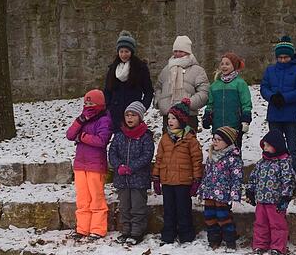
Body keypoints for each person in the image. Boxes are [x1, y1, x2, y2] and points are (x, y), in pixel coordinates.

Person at [152, 98, 204, 245]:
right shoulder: (165, 139)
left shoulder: (190, 139)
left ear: (181, 120)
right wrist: (156, 177)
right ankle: (168, 234)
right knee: (169, 209)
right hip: (167, 179)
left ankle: (186, 234)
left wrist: (196, 179)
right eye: (169, 118)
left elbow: (196, 160)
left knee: (183, 209)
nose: (170, 121)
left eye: (173, 118)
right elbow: (159, 158)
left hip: (183, 180)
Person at [66, 89, 113, 240]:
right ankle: (82, 228)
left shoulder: (104, 119)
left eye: (91, 102)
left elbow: (101, 141)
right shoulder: (83, 118)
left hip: (95, 165)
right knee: (83, 199)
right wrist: (80, 120)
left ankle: (98, 229)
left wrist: (83, 137)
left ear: (99, 104)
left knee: (96, 198)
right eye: (86, 102)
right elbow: (70, 135)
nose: (88, 105)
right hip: (80, 164)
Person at [260, 35, 296, 178]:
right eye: (280, 57)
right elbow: (264, 87)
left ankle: (292, 178)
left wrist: (285, 98)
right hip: (275, 114)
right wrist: (272, 96)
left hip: (291, 114)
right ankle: (275, 176)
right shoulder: (270, 70)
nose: (282, 60)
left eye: (285, 57)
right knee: (274, 146)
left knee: (292, 147)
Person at [108, 101, 155, 245]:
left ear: (139, 117)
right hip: (122, 179)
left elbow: (147, 155)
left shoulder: (145, 136)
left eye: (133, 115)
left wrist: (131, 167)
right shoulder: (119, 135)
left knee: (137, 206)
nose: (129, 118)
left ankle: (136, 232)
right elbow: (112, 152)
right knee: (124, 207)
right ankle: (126, 230)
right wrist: (118, 166)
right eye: (127, 115)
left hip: (138, 179)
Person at [246, 129, 296, 255]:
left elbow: (288, 180)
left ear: (277, 146)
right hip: (261, 200)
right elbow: (253, 177)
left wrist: (285, 196)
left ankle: (278, 246)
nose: (265, 148)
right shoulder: (261, 162)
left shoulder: (284, 163)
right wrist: (250, 190)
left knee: (277, 224)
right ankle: (260, 244)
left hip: (276, 201)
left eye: (268, 145)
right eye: (264, 145)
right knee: (260, 223)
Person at [197, 126, 243, 251]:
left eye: (218, 139)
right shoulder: (211, 157)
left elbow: (236, 179)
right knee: (209, 217)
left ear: (227, 142)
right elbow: (206, 175)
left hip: (223, 195)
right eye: (214, 139)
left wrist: (235, 196)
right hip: (209, 193)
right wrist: (201, 191)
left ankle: (230, 240)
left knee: (223, 217)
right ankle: (213, 240)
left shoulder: (233, 159)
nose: (215, 142)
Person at [154, 35, 209, 131]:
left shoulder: (197, 70)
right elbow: (158, 87)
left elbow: (204, 92)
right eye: (175, 51)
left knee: (187, 145)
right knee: (168, 145)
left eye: (181, 51)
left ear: (188, 52)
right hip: (168, 116)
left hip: (188, 116)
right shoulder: (166, 70)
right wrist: (159, 101)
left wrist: (188, 103)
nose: (178, 54)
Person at [103, 30, 154, 132]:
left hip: (133, 113)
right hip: (115, 113)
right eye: (121, 51)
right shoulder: (113, 68)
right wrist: (108, 107)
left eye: (127, 51)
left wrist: (142, 107)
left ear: (132, 52)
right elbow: (107, 90)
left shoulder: (140, 68)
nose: (124, 55)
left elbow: (148, 91)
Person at [202, 52, 252, 149]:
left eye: (227, 64)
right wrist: (207, 115)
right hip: (218, 124)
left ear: (234, 66)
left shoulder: (240, 83)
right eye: (222, 64)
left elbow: (246, 103)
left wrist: (246, 118)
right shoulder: (215, 86)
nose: (224, 66)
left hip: (234, 125)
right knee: (218, 150)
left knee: (234, 150)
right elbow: (210, 104)